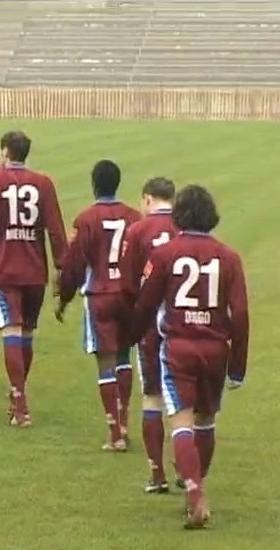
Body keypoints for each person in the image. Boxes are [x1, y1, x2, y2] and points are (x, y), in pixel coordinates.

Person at [130, 184, 249, 529]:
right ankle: (200, 484)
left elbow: (146, 303)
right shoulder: (229, 257)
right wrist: (237, 366)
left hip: (178, 347)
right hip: (215, 348)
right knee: (206, 420)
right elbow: (239, 313)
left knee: (180, 420)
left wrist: (134, 335)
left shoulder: (165, 255)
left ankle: (194, 494)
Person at [0, 131, 67, 427]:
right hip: (35, 270)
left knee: (11, 330)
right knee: (27, 334)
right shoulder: (43, 183)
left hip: (4, 267)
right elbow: (56, 229)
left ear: (6, 151)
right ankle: (18, 395)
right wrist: (61, 265)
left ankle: (20, 401)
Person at [54, 160, 141, 450]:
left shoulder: (86, 219)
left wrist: (63, 298)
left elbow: (74, 266)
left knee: (105, 362)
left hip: (100, 295)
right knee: (124, 357)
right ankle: (125, 421)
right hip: (128, 296)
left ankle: (114, 434)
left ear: (94, 184)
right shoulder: (134, 217)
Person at [120, 177, 179, 492]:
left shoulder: (138, 231)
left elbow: (128, 284)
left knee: (152, 396)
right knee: (186, 401)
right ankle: (187, 466)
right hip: (185, 325)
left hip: (151, 326)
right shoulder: (185, 228)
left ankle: (157, 474)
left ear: (146, 199)